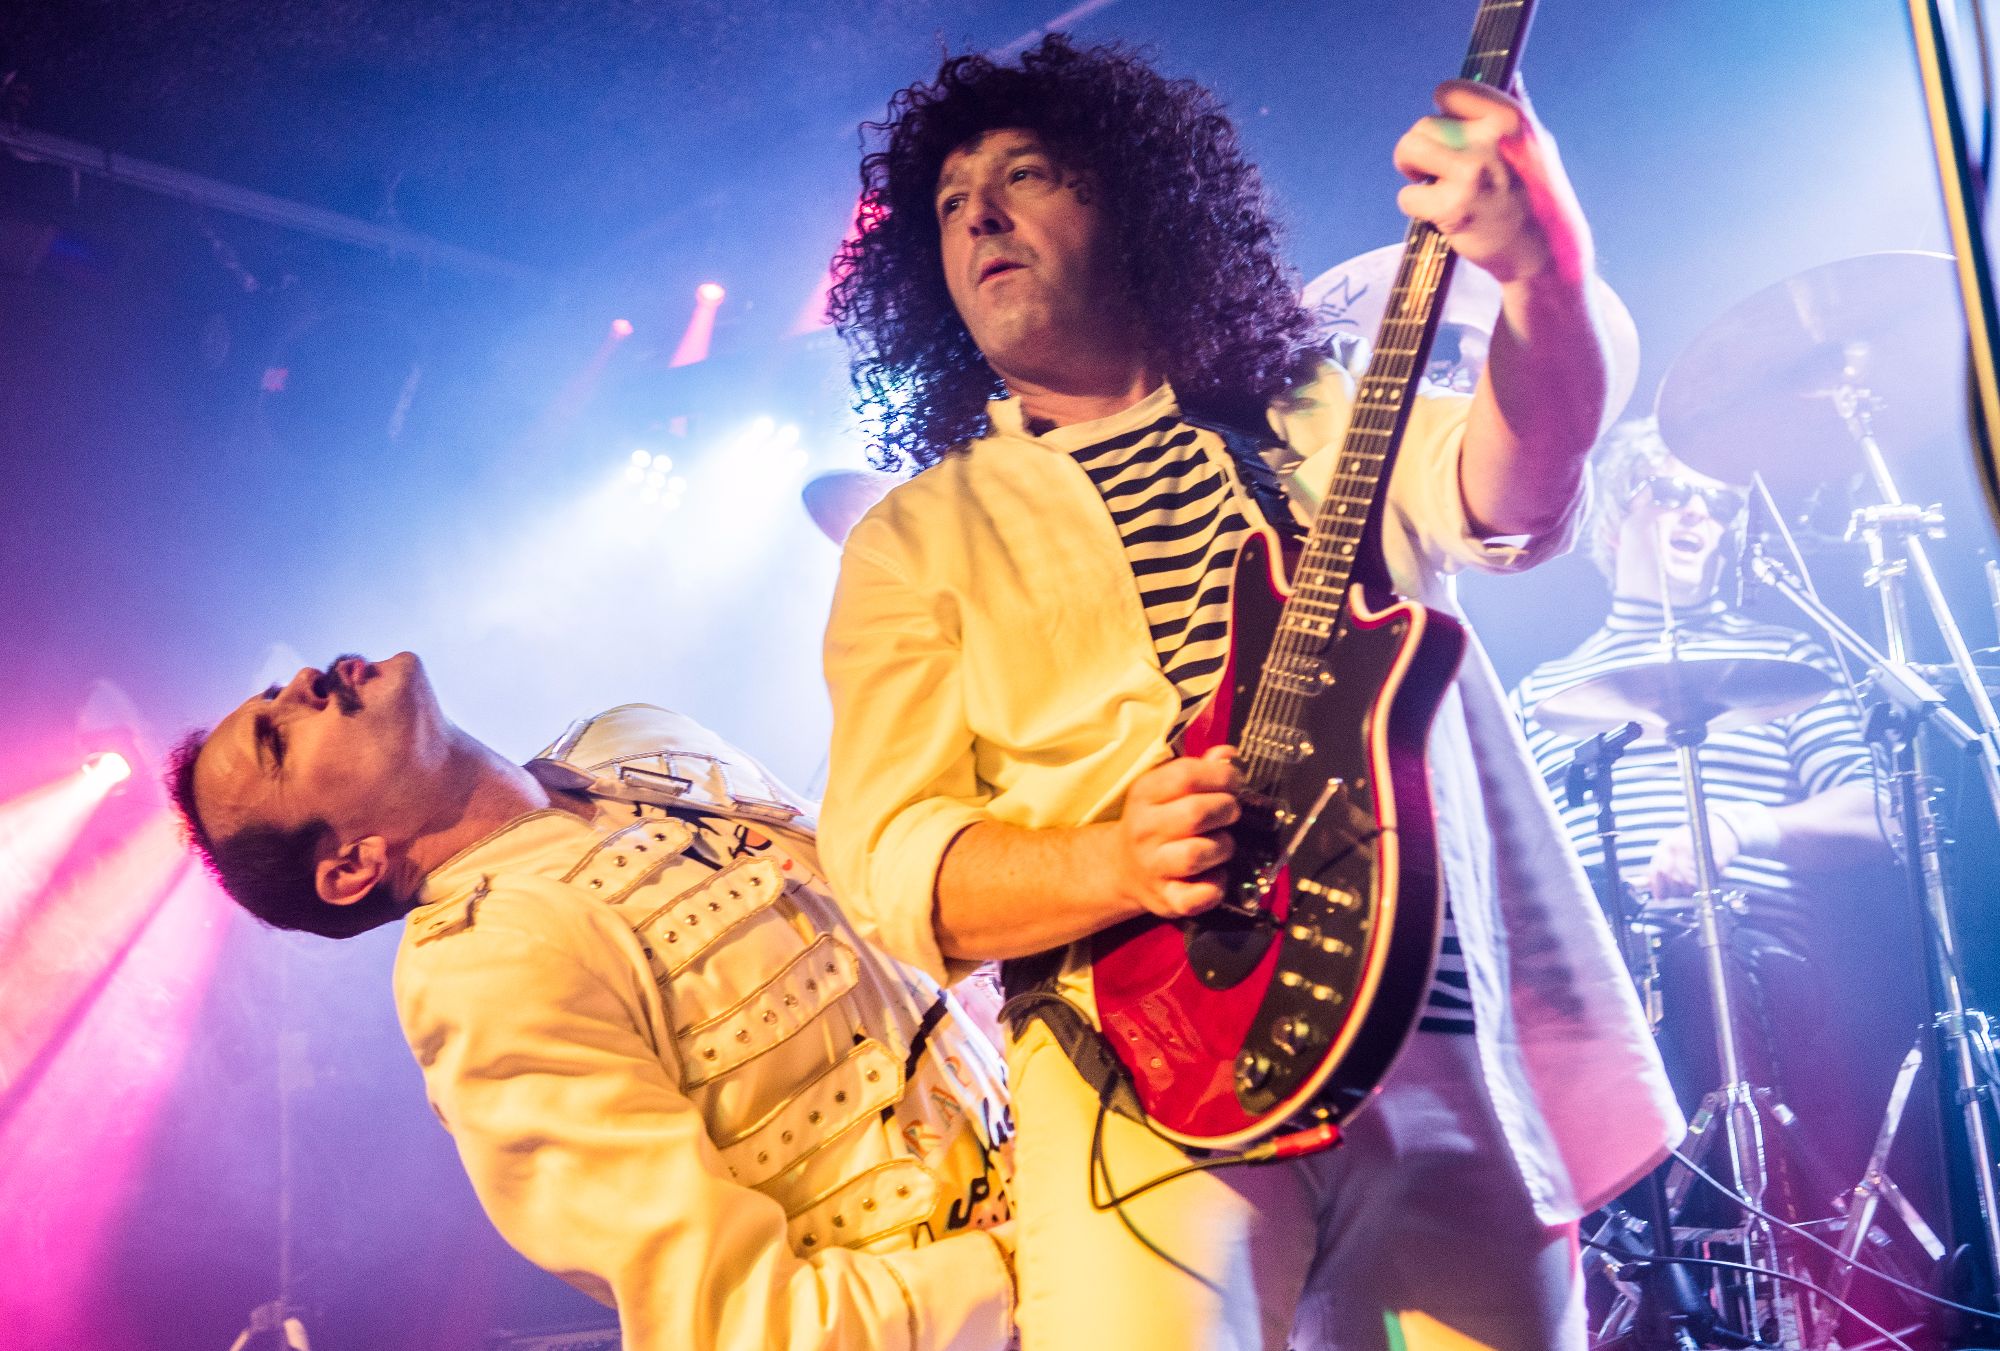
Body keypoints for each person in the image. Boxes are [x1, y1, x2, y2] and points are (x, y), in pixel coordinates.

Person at [819, 35, 1680, 1351]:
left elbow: (1518, 488)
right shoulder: (917, 537)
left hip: (1438, 1038)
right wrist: (1110, 860)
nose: (978, 214)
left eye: (1024, 175)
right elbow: (892, 860)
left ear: (1135, 206)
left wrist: (1542, 271)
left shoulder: (1317, 412)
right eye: (948, 203)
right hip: (1140, 1078)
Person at [167, 651, 1016, 1351]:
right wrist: (1032, 1266)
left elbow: (911, 928)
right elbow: (739, 1324)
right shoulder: (480, 964)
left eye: (276, 695)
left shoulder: (634, 738)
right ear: (353, 864)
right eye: (277, 739)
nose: (303, 682)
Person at [1511, 419, 1892, 1186]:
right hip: (1586, 977)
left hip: (1758, 969)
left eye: (1717, 504)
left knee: (1693, 967)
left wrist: (1740, 828)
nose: (1698, 514)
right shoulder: (1537, 694)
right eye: (1672, 491)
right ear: (1613, 519)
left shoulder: (1786, 659)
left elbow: (1880, 814)